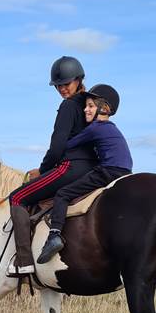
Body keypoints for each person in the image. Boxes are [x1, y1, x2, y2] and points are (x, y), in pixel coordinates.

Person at [6, 56, 98, 276]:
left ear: (78, 80)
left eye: (66, 84)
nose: (62, 89)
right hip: (94, 168)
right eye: (58, 86)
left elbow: (57, 148)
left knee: (17, 198)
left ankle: (24, 261)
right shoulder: (92, 104)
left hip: (70, 167)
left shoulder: (68, 106)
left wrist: (43, 170)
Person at [37, 84, 132, 264]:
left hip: (107, 171)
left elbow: (68, 144)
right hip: (124, 170)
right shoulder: (111, 128)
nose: (85, 110)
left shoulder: (95, 128)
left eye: (90, 106)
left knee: (63, 193)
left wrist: (57, 149)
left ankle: (54, 235)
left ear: (104, 109)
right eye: (85, 106)